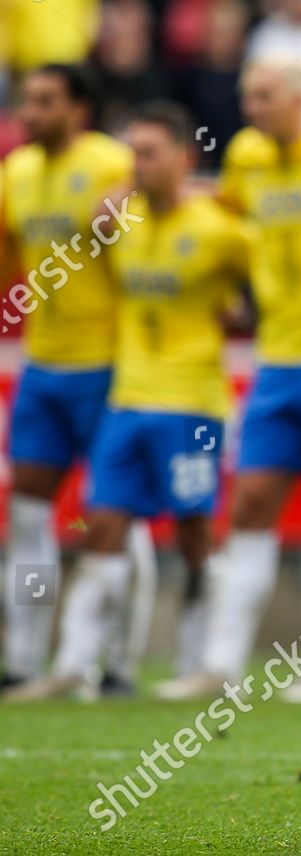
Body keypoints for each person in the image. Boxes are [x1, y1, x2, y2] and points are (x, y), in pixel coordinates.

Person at [7, 103, 249, 701]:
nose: (136, 165)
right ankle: (74, 666)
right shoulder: (120, 225)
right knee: (104, 526)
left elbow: (257, 294)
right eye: (132, 152)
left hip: (192, 403)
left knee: (194, 531)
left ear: (183, 159)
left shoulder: (221, 231)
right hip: (127, 397)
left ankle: (205, 662)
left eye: (149, 153)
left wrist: (234, 313)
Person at [156, 60, 301, 703]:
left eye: (265, 95)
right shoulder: (248, 156)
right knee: (250, 503)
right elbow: (225, 215)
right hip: (276, 358)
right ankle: (221, 662)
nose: (251, 106)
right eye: (246, 94)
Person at [0, 65, 132, 693]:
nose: (30, 113)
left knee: (113, 513)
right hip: (42, 363)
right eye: (27, 100)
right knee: (28, 508)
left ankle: (117, 661)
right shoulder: (16, 172)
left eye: (45, 101)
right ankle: (24, 658)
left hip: (110, 363)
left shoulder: (114, 162)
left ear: (79, 108)